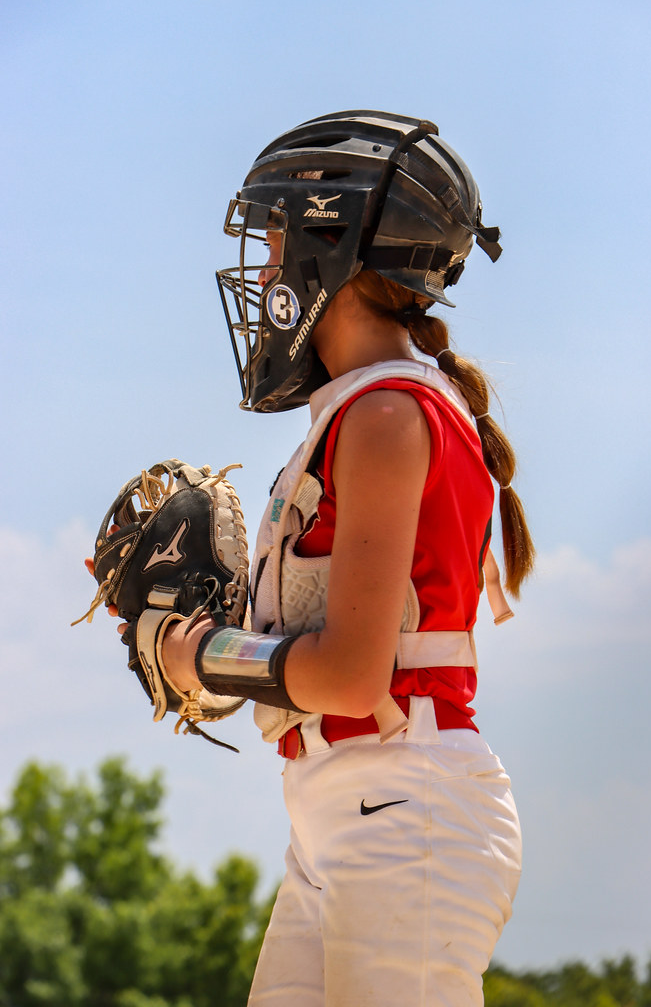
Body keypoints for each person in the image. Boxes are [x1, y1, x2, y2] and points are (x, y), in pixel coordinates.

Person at [154, 111, 535, 1006]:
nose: (264, 267)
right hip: (348, 812)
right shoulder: (364, 409)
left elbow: (352, 679)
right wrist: (226, 645)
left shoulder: (387, 414)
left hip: (405, 814)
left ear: (335, 243)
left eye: (277, 234)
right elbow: (314, 664)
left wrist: (196, 653)